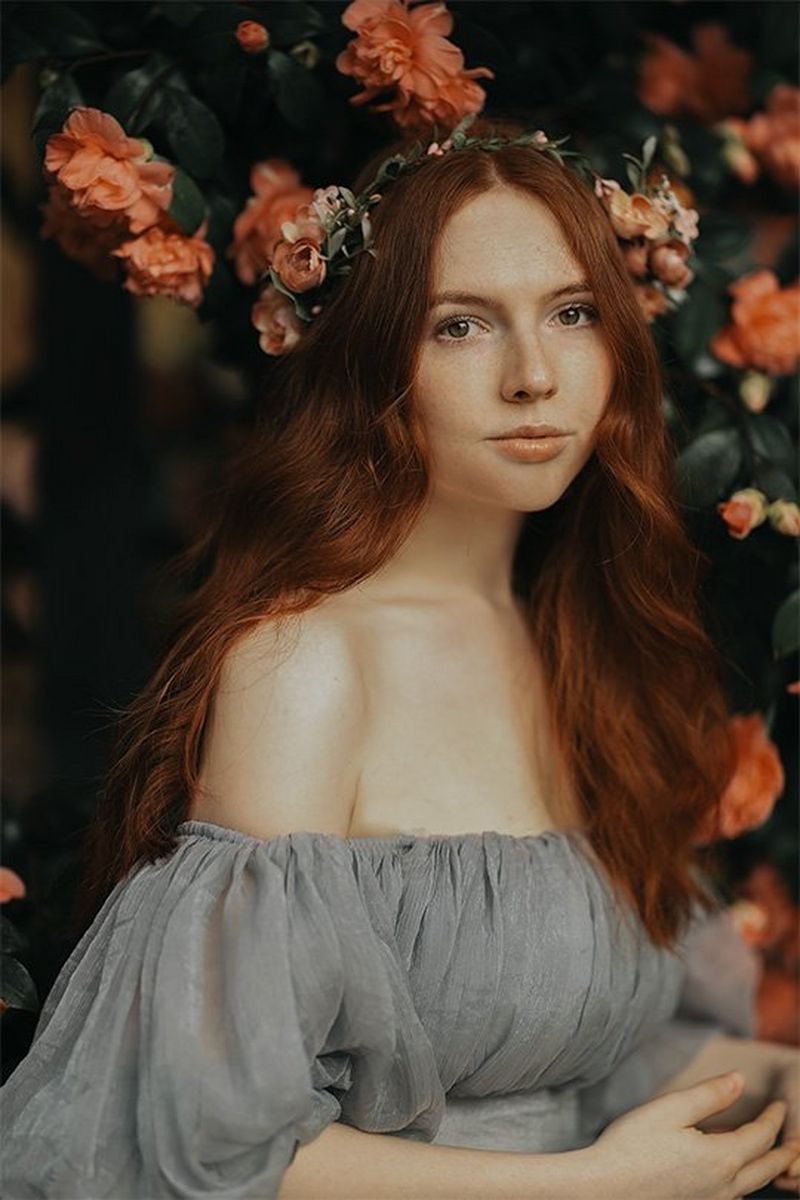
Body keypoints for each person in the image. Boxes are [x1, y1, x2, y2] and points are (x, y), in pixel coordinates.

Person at [1, 115, 798, 1200]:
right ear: (373, 362)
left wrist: (768, 1088)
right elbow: (204, 1140)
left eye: (569, 314)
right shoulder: (304, 664)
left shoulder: (571, 641)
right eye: (460, 326)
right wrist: (590, 1187)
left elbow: (599, 1054)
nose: (532, 376)